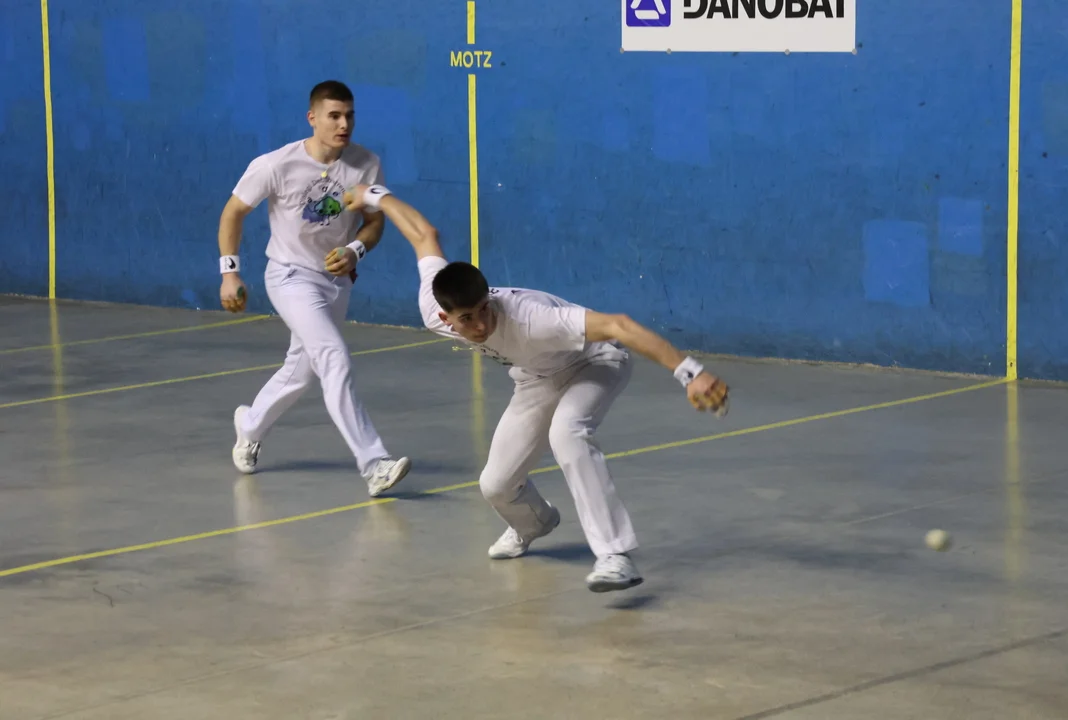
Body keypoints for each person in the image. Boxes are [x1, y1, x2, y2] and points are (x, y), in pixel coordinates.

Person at [342, 183, 730, 592]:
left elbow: (618, 325)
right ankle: (535, 523)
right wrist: (373, 195)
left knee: (568, 432)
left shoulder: (532, 320)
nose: (480, 325)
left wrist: (691, 372)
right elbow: (424, 234)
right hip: (535, 378)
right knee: (496, 484)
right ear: (445, 317)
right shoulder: (432, 309)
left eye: (483, 310)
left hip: (596, 362)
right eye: (467, 318)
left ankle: (614, 555)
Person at [215, 80, 411, 498]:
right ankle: (374, 464)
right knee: (333, 356)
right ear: (312, 118)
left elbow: (374, 221)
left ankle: (250, 426)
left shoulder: (366, 163)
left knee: (301, 371)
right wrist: (230, 273)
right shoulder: (276, 164)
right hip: (289, 276)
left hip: (336, 281)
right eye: (334, 116)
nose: (344, 125)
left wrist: (356, 250)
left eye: (349, 116)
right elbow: (233, 212)